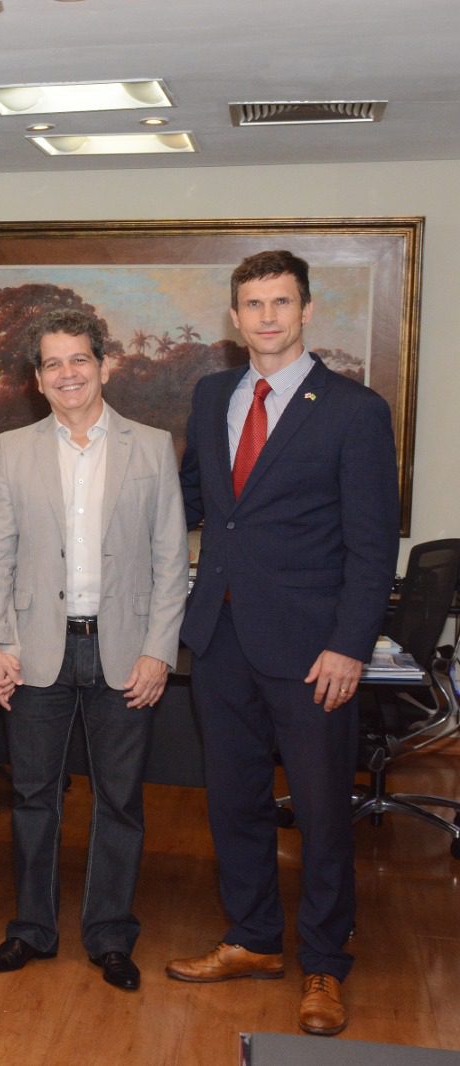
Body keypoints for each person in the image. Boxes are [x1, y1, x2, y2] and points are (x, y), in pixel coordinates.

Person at [167, 251, 398, 1037]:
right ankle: (255, 939)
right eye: (253, 304)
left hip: (312, 650)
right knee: (234, 803)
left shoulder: (353, 410)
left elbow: (372, 548)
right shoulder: (210, 397)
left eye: (281, 302)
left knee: (326, 810)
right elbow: (197, 501)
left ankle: (326, 964)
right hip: (221, 637)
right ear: (235, 319)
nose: (266, 317)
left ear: (305, 312)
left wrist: (349, 646)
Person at [0, 308, 186, 993]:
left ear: (103, 364)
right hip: (37, 649)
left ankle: (109, 935)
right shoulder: (15, 449)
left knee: (119, 800)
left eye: (79, 360)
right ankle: (32, 930)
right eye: (53, 364)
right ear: (38, 379)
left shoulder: (151, 447)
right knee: (34, 796)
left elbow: (169, 557)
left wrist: (159, 651)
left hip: (123, 650)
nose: (68, 374)